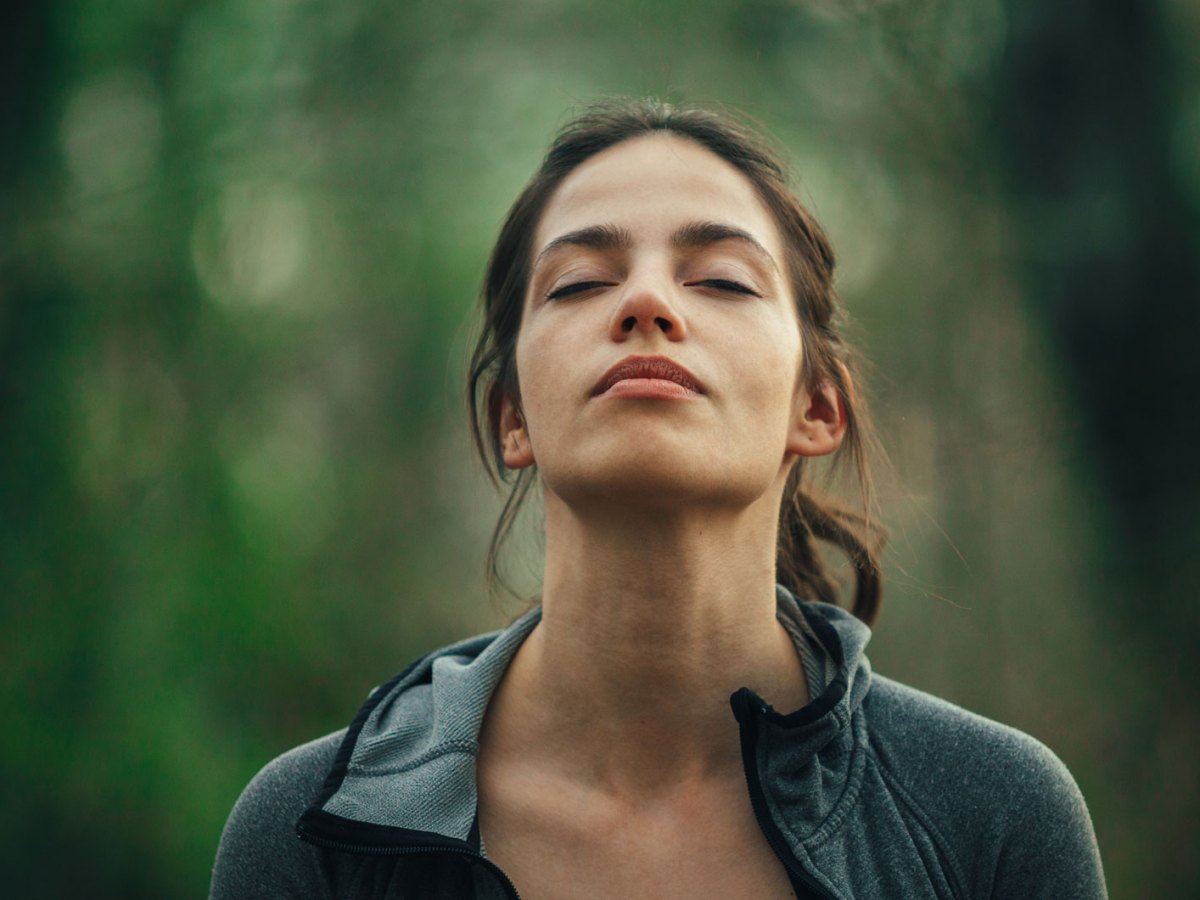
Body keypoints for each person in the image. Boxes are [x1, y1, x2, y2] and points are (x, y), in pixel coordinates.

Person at [210, 99, 1107, 899]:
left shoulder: (993, 817)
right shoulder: (310, 832)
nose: (645, 301)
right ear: (512, 416)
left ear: (816, 406)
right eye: (579, 283)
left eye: (720, 279)